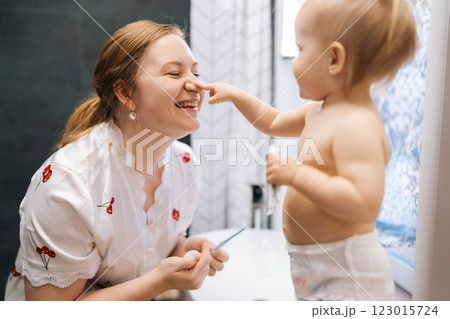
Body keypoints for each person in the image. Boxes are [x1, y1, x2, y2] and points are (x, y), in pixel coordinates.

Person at [197, 0, 417, 300]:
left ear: (334, 59)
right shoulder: (318, 111)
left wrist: (297, 175)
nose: (294, 61)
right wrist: (236, 95)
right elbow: (273, 121)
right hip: (311, 266)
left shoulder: (357, 124)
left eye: (301, 50)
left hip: (348, 274)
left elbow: (363, 203)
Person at [5, 20, 228, 301]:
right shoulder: (68, 184)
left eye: (196, 72)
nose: (198, 84)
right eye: (174, 73)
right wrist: (158, 282)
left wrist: (180, 250)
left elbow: (142, 250)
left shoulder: (186, 164)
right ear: (125, 93)